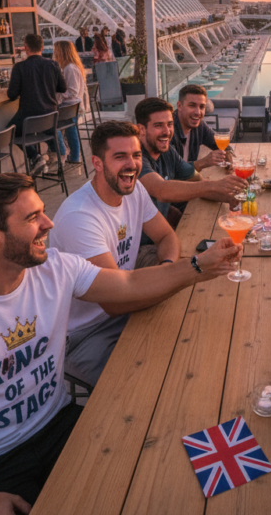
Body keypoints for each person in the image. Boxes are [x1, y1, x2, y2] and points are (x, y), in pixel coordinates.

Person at [0, 173, 239, 515]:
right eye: (33, 217)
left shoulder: (56, 268)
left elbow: (130, 284)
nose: (49, 223)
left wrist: (198, 266)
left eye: (43, 211)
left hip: (58, 423)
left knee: (156, 470)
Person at [50, 120, 181, 386]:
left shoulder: (134, 189)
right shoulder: (80, 216)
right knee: (148, 384)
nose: (132, 164)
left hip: (124, 305)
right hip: (84, 333)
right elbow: (114, 302)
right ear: (97, 163)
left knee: (184, 339)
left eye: (136, 155)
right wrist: (176, 278)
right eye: (120, 156)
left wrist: (167, 268)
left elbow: (166, 236)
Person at [135, 98, 247, 228]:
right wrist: (215, 185)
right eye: (158, 125)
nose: (167, 131)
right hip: (143, 239)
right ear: (141, 129)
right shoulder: (134, 158)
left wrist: (229, 197)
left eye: (170, 124)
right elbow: (161, 190)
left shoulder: (168, 152)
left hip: (162, 230)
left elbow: (199, 181)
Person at [7, 32, 66, 175]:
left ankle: (35, 157)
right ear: (42, 47)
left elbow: (12, 95)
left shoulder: (19, 67)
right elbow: (63, 88)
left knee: (10, 132)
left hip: (29, 119)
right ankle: (57, 156)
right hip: (50, 118)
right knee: (48, 131)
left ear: (26, 48)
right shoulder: (53, 64)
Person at [171, 84, 227, 170]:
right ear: (179, 106)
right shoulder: (167, 130)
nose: (198, 112)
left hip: (192, 177)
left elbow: (218, 143)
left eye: (202, 107)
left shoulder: (199, 126)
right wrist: (203, 162)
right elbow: (172, 171)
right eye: (192, 106)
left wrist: (228, 155)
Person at [53, 40, 89, 165]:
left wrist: (58, 97)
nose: (54, 54)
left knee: (54, 126)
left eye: (56, 51)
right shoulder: (72, 67)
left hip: (70, 106)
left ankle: (67, 153)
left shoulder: (70, 68)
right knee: (70, 130)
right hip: (73, 106)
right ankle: (73, 157)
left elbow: (72, 90)